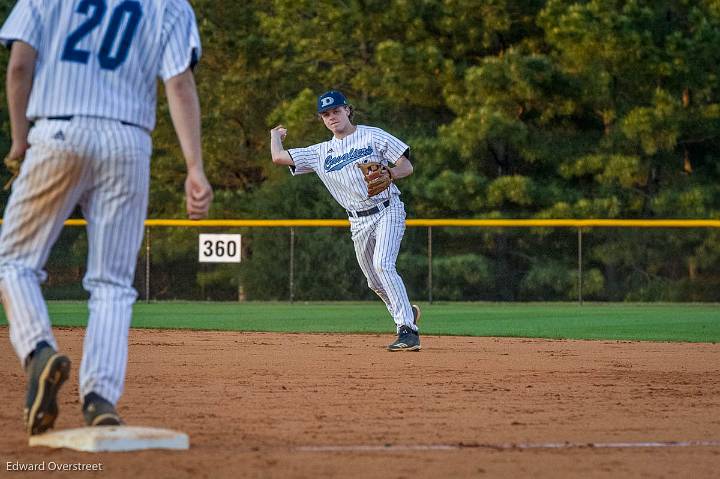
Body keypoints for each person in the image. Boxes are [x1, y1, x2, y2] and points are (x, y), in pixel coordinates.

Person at [0, 0, 213, 435]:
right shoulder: (169, 4)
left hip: (57, 130)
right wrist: (195, 166)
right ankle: (100, 400)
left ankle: (39, 350)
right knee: (113, 283)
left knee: (13, 262)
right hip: (128, 141)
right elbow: (179, 83)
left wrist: (20, 140)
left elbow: (20, 66)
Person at [270, 90, 421, 352]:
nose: (332, 117)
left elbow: (406, 166)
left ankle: (407, 330)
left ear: (348, 110)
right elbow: (278, 158)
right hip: (358, 221)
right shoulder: (320, 152)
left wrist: (392, 173)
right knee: (374, 282)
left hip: (387, 209)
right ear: (322, 119)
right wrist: (274, 136)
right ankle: (405, 312)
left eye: (336, 111)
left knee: (384, 264)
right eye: (326, 114)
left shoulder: (373, 135)